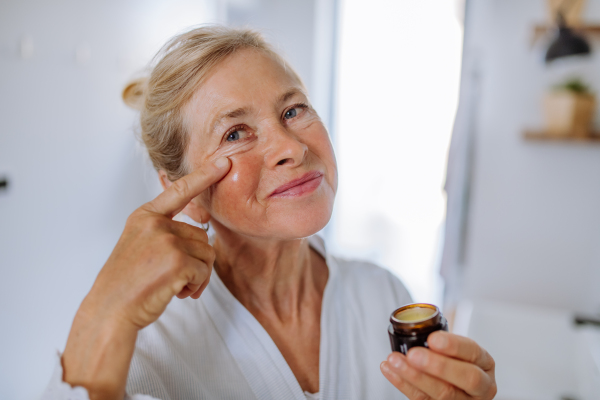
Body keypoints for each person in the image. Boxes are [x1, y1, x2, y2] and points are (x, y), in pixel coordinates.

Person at [41, 26, 497, 400]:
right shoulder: (147, 344)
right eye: (236, 134)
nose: (291, 148)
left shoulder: (380, 293)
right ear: (184, 191)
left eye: (294, 110)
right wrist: (104, 307)